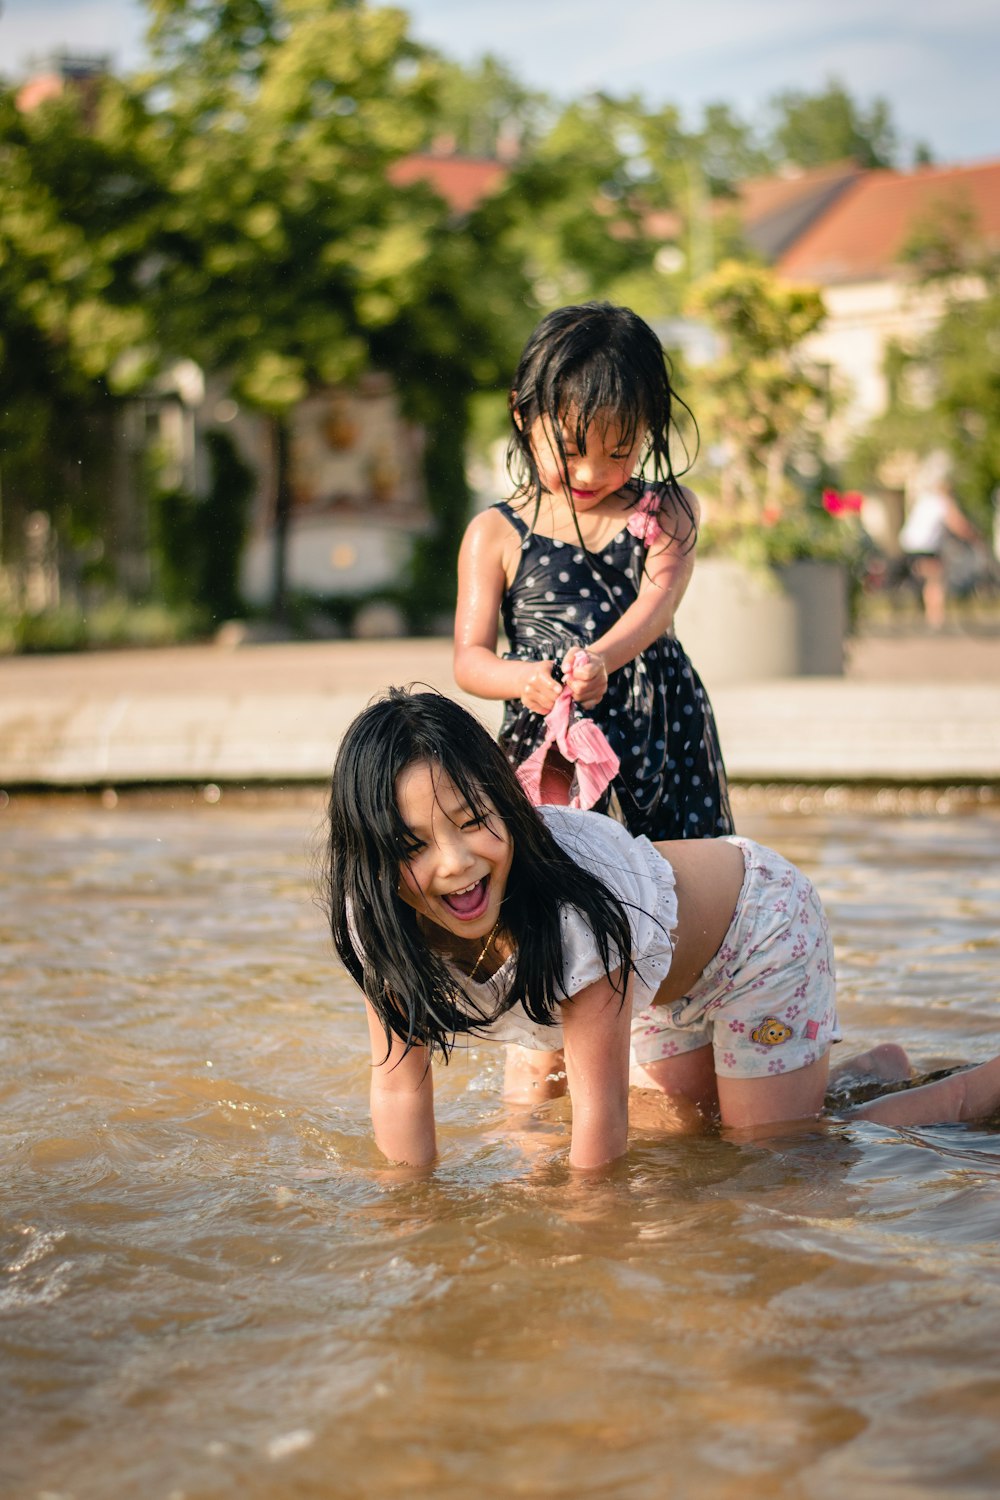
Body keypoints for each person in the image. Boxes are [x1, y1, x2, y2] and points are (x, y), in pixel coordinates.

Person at [325, 688, 1000, 1170]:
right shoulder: (379, 925)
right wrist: (410, 1225)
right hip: (663, 965)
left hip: (756, 930)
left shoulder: (573, 918)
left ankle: (978, 1086)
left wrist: (579, 1254)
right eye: (414, 846)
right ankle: (868, 1070)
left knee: (775, 1151)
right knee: (682, 1132)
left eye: (473, 821)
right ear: (370, 856)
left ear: (506, 804)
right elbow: (397, 1087)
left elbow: (599, 1122)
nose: (457, 864)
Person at [454, 301, 732, 840]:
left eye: (620, 451)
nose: (591, 472)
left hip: (661, 729)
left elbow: (658, 605)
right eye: (572, 447)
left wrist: (600, 659)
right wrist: (522, 678)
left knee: (676, 870)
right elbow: (469, 660)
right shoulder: (495, 533)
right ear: (521, 414)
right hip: (548, 732)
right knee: (559, 869)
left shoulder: (668, 509)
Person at [899, 479, 981, 629]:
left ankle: (923, 605)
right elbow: (957, 524)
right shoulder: (942, 503)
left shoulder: (925, 499)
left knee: (927, 576)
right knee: (935, 578)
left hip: (909, 543)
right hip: (924, 546)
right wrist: (974, 536)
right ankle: (935, 617)